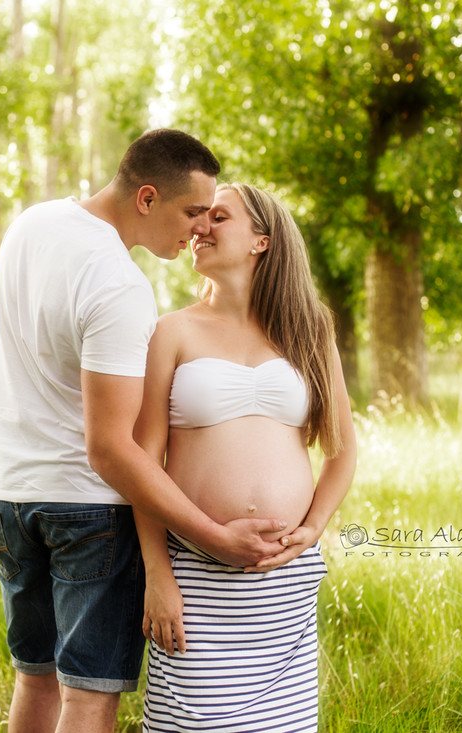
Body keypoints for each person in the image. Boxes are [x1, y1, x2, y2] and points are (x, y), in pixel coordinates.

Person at [0, 132, 288, 733]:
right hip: (87, 513)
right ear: (147, 198)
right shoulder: (120, 285)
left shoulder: (30, 225)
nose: (198, 229)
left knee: (34, 680)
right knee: (88, 697)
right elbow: (110, 449)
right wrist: (214, 538)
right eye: (192, 211)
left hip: (10, 499)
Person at [134, 182, 358, 732]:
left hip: (283, 581)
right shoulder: (171, 331)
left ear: (262, 240)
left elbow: (342, 450)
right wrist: (158, 575)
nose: (199, 227)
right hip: (196, 579)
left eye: (219, 217)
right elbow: (142, 462)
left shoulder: (309, 329)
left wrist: (312, 529)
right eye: (199, 217)